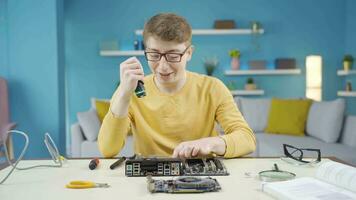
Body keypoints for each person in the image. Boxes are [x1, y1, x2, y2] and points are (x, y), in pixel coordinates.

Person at [98, 13, 256, 159]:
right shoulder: (130, 89)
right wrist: (124, 95)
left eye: (173, 55)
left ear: (189, 53)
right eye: (154, 55)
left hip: (200, 179)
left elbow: (247, 139)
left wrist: (209, 143)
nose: (163, 66)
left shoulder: (212, 88)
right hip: (149, 178)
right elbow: (107, 150)